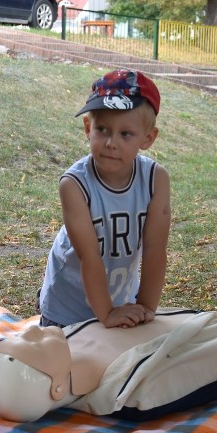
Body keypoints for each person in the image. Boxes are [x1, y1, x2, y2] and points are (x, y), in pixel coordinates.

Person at [38, 69, 171, 329]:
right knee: (65, 369)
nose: (111, 142)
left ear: (148, 138)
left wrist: (145, 307)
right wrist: (106, 314)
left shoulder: (156, 179)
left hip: (121, 301)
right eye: (102, 129)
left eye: (125, 134)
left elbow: (155, 250)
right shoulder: (74, 184)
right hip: (66, 310)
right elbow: (90, 256)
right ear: (88, 128)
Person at [0, 309, 217, 422]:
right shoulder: (137, 393)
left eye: (19, 335)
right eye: (31, 344)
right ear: (57, 389)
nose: (31, 330)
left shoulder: (64, 338)